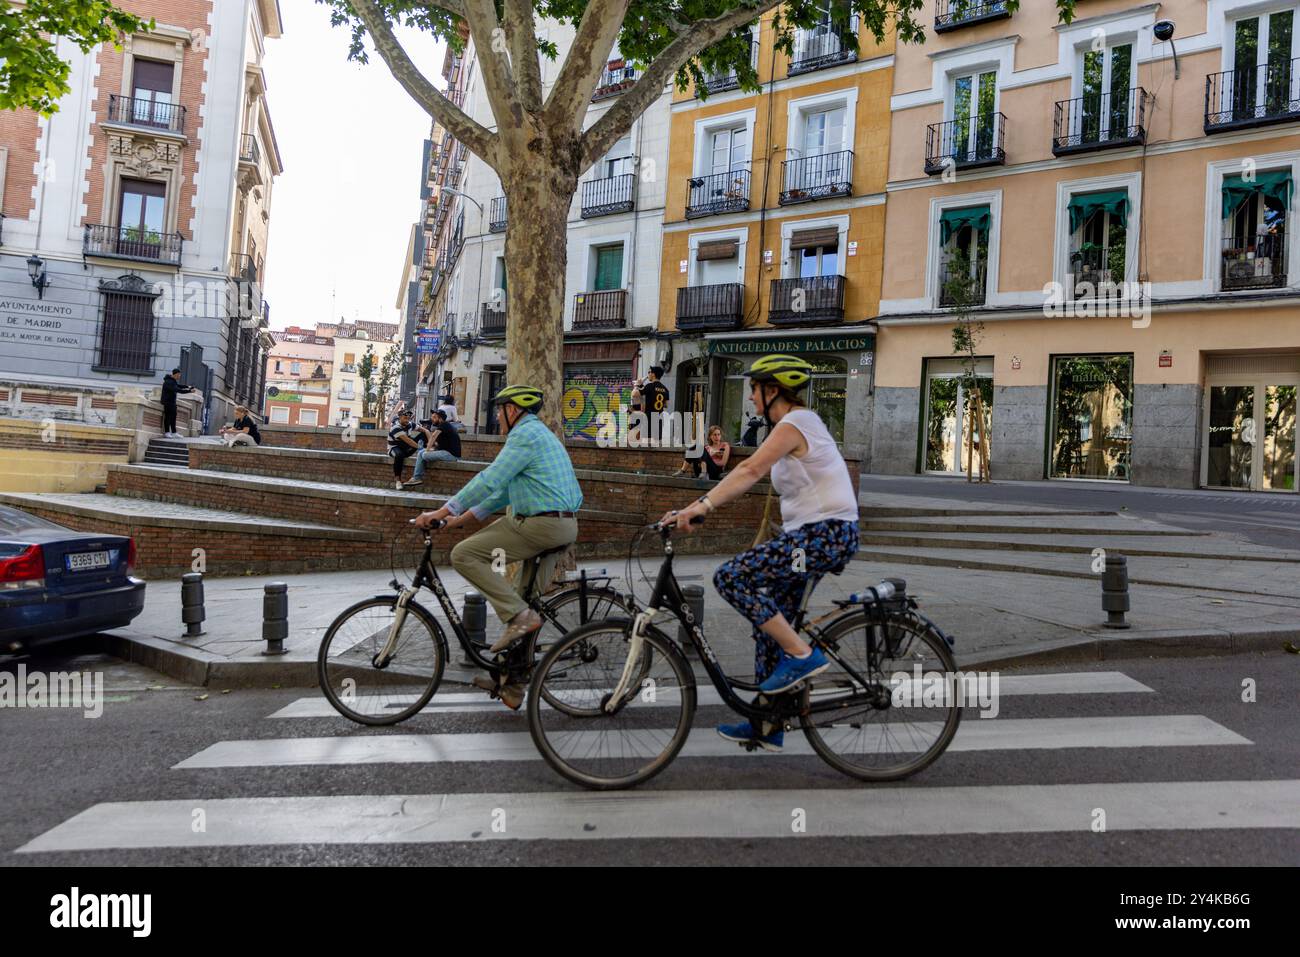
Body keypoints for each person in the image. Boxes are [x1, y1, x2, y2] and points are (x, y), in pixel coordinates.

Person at [661, 355, 859, 753]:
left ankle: (803, 655)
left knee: (730, 577)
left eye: (754, 389)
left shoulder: (795, 423)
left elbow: (749, 470)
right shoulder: (798, 425)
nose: (750, 398)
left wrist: (701, 506)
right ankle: (768, 723)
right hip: (814, 535)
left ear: (773, 391)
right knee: (769, 622)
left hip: (824, 534)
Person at [414, 385, 582, 709]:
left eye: (499, 409)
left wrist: (440, 511)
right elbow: (502, 493)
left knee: (464, 555)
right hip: (558, 525)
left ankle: (520, 616)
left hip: (540, 525)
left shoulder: (524, 436)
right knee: (521, 600)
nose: (497, 416)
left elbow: (489, 480)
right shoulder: (537, 435)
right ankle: (513, 685)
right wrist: (457, 520)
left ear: (513, 410)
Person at [403, 409, 462, 486]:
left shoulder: (444, 424)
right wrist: (431, 448)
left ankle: (417, 477)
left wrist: (427, 450)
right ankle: (416, 478)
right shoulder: (444, 427)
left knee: (424, 454)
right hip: (445, 451)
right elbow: (437, 444)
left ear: (440, 419)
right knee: (421, 452)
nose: (432, 419)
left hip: (452, 455)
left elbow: (433, 436)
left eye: (434, 417)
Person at [387, 409, 421, 489]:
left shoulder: (410, 424)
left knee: (423, 434)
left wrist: (430, 444)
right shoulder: (395, 427)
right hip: (394, 449)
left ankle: (428, 451)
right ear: (400, 418)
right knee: (399, 455)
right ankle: (398, 481)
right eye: (405, 418)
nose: (407, 420)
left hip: (405, 448)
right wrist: (421, 448)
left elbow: (425, 430)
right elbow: (409, 441)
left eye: (408, 418)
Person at [160, 368, 195, 437]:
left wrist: (188, 387)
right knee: (168, 417)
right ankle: (167, 432)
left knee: (173, 417)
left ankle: (174, 432)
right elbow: (178, 390)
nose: (179, 376)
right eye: (179, 375)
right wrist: (189, 391)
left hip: (172, 402)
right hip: (167, 402)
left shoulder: (173, 381)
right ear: (176, 374)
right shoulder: (168, 382)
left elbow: (179, 386)